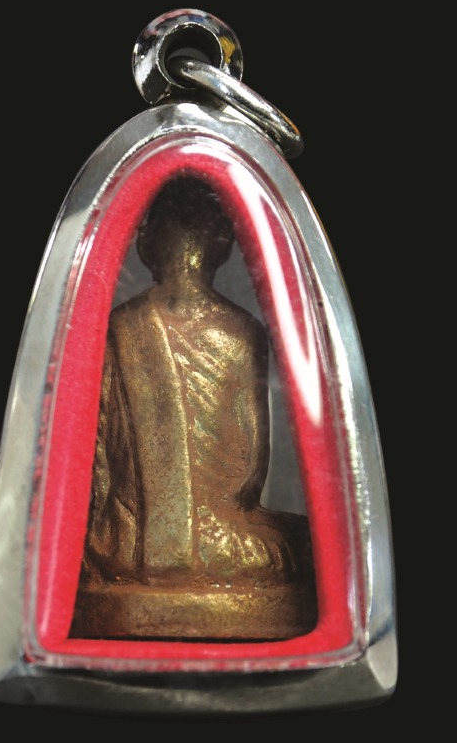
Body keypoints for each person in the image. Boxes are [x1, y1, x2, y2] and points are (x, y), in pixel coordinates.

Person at [70, 176, 316, 640]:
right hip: (220, 539)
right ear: (222, 246)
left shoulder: (119, 327)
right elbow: (249, 467)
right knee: (299, 543)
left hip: (121, 546)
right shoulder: (242, 332)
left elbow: (96, 459)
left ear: (146, 244)